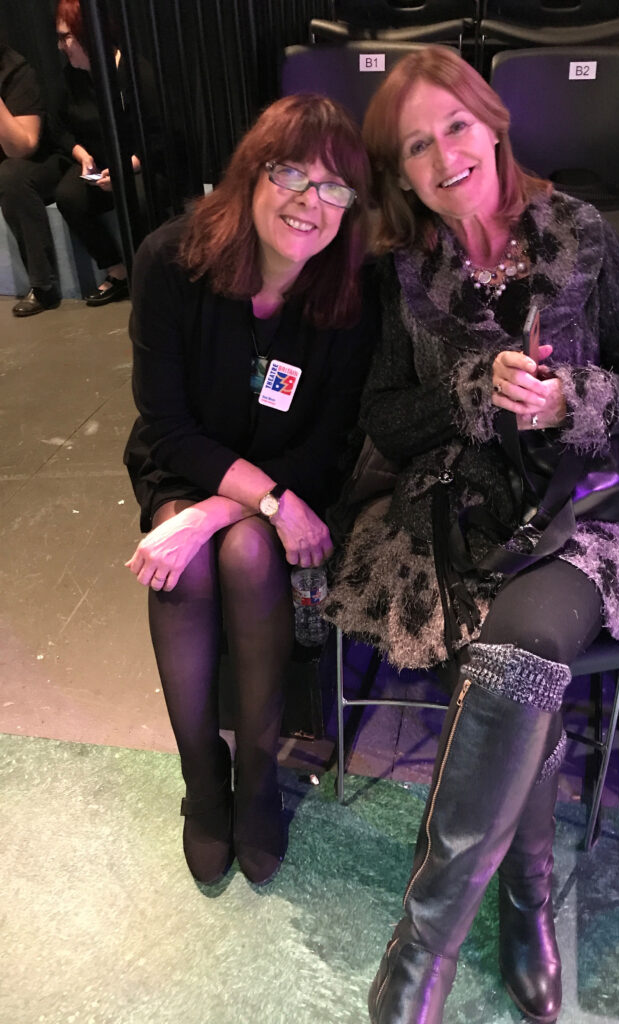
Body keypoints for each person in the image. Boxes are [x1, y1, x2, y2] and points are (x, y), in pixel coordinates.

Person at [324, 47, 619, 1024]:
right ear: (400, 174)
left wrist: (579, 397)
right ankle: (526, 898)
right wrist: (468, 392)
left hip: (572, 525)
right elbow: (386, 421)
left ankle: (422, 950)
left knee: (516, 652)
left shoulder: (580, 233)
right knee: (510, 690)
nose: (444, 156)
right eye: (415, 146)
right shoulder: (406, 272)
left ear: (492, 122)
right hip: (453, 520)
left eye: (455, 126)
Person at [123, 93, 374, 887]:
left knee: (244, 557)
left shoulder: (350, 294)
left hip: (294, 479)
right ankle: (204, 781)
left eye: (334, 188)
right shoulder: (171, 261)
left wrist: (238, 510)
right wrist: (233, 505)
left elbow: (324, 444)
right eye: (292, 174)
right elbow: (167, 425)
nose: (310, 202)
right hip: (190, 462)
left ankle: (258, 778)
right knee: (191, 563)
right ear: (250, 173)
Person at [51, 0, 149, 306]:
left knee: (140, 198)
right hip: (100, 163)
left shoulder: (133, 71)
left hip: (138, 162)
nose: (61, 45)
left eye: (67, 37)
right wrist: (80, 153)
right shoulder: (72, 76)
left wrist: (125, 169)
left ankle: (148, 275)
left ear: (87, 35)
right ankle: (117, 271)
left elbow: (161, 136)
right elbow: (59, 127)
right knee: (68, 196)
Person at [0, 41, 65, 316]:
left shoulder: (15, 70)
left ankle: (43, 286)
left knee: (11, 175)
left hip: (38, 163)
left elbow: (23, 146)